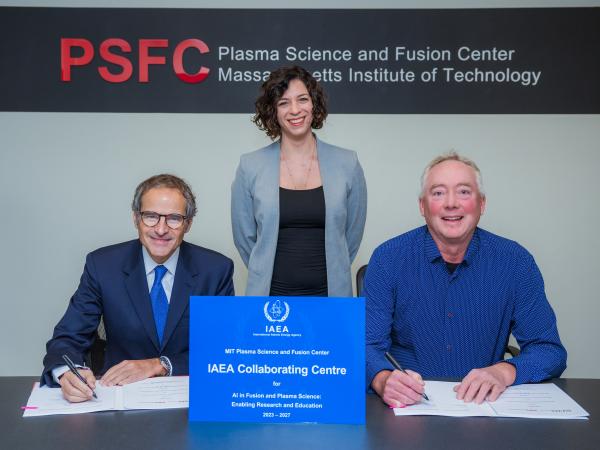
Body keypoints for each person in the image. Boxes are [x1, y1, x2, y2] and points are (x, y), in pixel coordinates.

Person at [365, 152, 566, 407]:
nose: (451, 203)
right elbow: (367, 346)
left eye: (463, 192)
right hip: (408, 409)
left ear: (481, 204)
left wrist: (503, 372)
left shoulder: (516, 262)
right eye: (438, 193)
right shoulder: (388, 259)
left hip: (482, 409)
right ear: (422, 206)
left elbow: (549, 351)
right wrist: (384, 380)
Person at [42, 174, 234, 402]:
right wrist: (67, 373)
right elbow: (68, 338)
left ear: (188, 223)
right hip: (117, 398)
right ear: (136, 219)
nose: (161, 229)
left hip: (192, 399)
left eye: (174, 218)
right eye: (151, 216)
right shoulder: (103, 265)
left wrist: (161, 365)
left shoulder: (215, 269)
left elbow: (223, 348)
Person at [232, 65, 367, 297]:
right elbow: (245, 240)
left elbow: (351, 236)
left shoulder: (348, 163)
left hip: (331, 298)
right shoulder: (250, 166)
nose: (295, 110)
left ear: (314, 104)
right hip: (270, 301)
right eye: (284, 103)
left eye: (302, 99)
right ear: (273, 111)